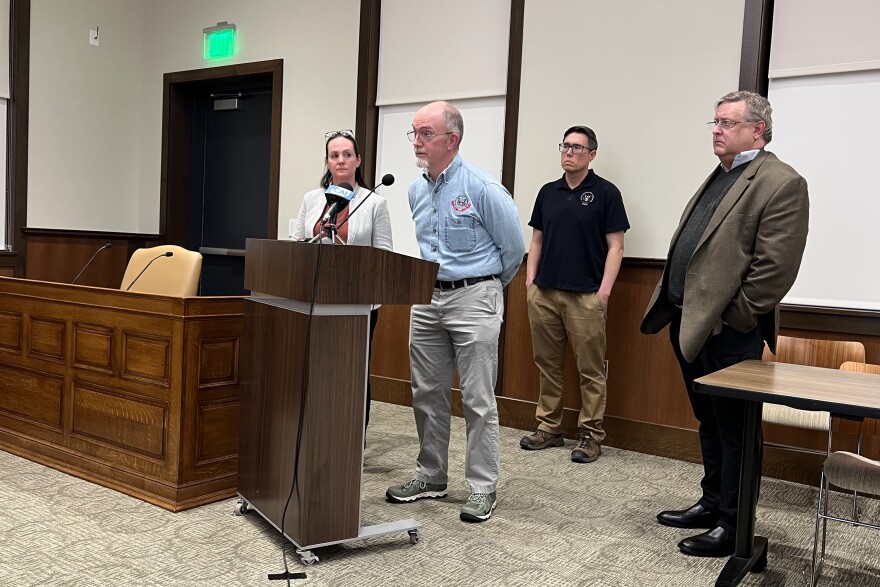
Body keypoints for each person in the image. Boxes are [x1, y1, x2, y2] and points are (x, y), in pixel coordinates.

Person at [640, 91, 809, 557]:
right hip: (688, 324)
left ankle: (735, 527)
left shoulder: (781, 182)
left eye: (727, 122)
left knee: (736, 430)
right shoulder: (724, 174)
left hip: (729, 332)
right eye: (714, 121)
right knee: (709, 423)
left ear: (758, 129)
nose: (716, 129)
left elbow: (774, 270)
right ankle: (713, 503)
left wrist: (730, 319)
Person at [385, 101, 525, 522]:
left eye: (426, 133)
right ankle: (431, 475)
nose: (417, 142)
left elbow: (513, 249)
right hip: (427, 298)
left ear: (452, 139)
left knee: (478, 398)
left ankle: (483, 487)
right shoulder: (414, 190)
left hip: (474, 297)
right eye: (414, 133)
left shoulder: (481, 188)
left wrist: (486, 290)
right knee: (426, 392)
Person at [519, 126, 628, 463]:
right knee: (547, 365)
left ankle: (591, 434)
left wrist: (604, 292)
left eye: (577, 147)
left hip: (586, 296)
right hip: (545, 292)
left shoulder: (606, 193)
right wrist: (529, 282)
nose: (569, 152)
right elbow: (536, 240)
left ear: (592, 154)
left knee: (590, 369)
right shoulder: (548, 192)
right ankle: (549, 427)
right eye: (565, 146)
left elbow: (616, 246)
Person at [292, 129, 393, 430]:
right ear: (327, 162)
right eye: (334, 156)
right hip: (314, 296)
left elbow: (384, 254)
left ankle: (352, 440)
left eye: (347, 155)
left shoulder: (374, 203)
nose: (341, 160)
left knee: (353, 370)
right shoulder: (312, 199)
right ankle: (316, 430)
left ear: (358, 160)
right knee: (316, 367)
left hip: (356, 302)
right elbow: (297, 242)